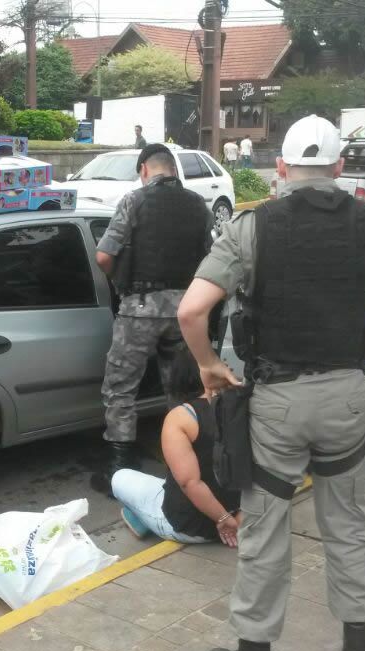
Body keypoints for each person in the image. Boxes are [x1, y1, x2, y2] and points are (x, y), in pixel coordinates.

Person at [177, 114, 365, 651]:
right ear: (339, 167)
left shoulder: (253, 227)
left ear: (280, 169)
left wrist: (208, 365)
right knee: (349, 525)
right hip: (349, 398)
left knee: (265, 529)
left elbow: (191, 312)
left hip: (277, 403)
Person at [93, 143, 213, 492]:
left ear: (145, 169)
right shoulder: (198, 205)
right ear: (173, 169)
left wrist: (121, 287)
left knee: (120, 387)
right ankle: (189, 466)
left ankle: (120, 466)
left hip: (141, 309)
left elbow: (103, 256)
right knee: (180, 386)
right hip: (185, 311)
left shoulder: (134, 201)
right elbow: (211, 259)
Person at [113, 391, 242, 547]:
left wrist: (223, 519)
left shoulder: (182, 417)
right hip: (240, 515)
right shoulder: (252, 404)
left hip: (194, 527)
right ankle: (139, 516)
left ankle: (139, 517)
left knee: (119, 477)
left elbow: (190, 483)